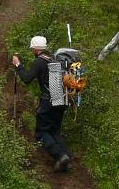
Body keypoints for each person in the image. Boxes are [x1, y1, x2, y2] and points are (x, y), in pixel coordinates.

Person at [12, 35, 73, 172]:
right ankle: (67, 160)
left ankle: (60, 156)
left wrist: (18, 65)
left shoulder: (39, 62)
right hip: (61, 99)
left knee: (41, 132)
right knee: (54, 130)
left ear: (35, 49)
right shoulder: (54, 59)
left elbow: (27, 79)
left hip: (48, 102)